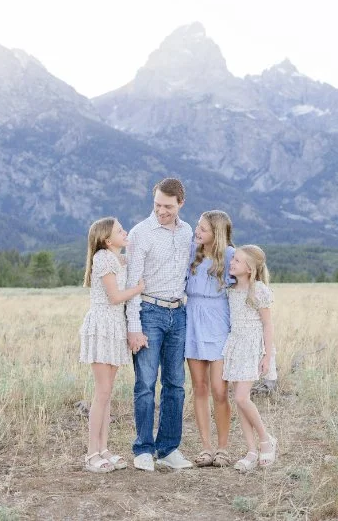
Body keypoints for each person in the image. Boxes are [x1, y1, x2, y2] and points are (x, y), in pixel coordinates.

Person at [126, 178, 194, 471]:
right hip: (148, 312)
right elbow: (132, 283)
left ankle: (168, 449)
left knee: (176, 385)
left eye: (167, 206)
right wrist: (133, 326)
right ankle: (143, 448)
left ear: (180, 203)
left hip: (178, 313)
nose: (161, 211)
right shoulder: (141, 233)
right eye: (157, 204)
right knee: (145, 383)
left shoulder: (187, 231)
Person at [79, 217, 144, 473]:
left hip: (116, 327)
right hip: (102, 325)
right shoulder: (103, 257)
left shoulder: (120, 259)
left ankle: (104, 448)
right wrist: (139, 288)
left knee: (108, 393)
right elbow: (115, 297)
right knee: (102, 392)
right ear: (107, 240)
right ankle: (91, 453)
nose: (125, 232)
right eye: (120, 230)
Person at [185, 211, 235, 468]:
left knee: (219, 389)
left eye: (203, 229)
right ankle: (205, 447)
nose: (197, 231)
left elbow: (240, 289)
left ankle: (223, 447)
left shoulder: (228, 256)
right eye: (197, 226)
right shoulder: (192, 252)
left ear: (216, 233)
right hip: (192, 320)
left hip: (217, 322)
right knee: (200, 387)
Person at [222, 245, 278, 472]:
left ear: (250, 268)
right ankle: (251, 450)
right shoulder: (231, 289)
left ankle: (266, 440)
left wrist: (267, 354)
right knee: (238, 400)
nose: (232, 263)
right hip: (236, 346)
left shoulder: (258, 290)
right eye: (232, 259)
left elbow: (267, 324)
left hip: (252, 347)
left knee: (243, 398)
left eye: (237, 260)